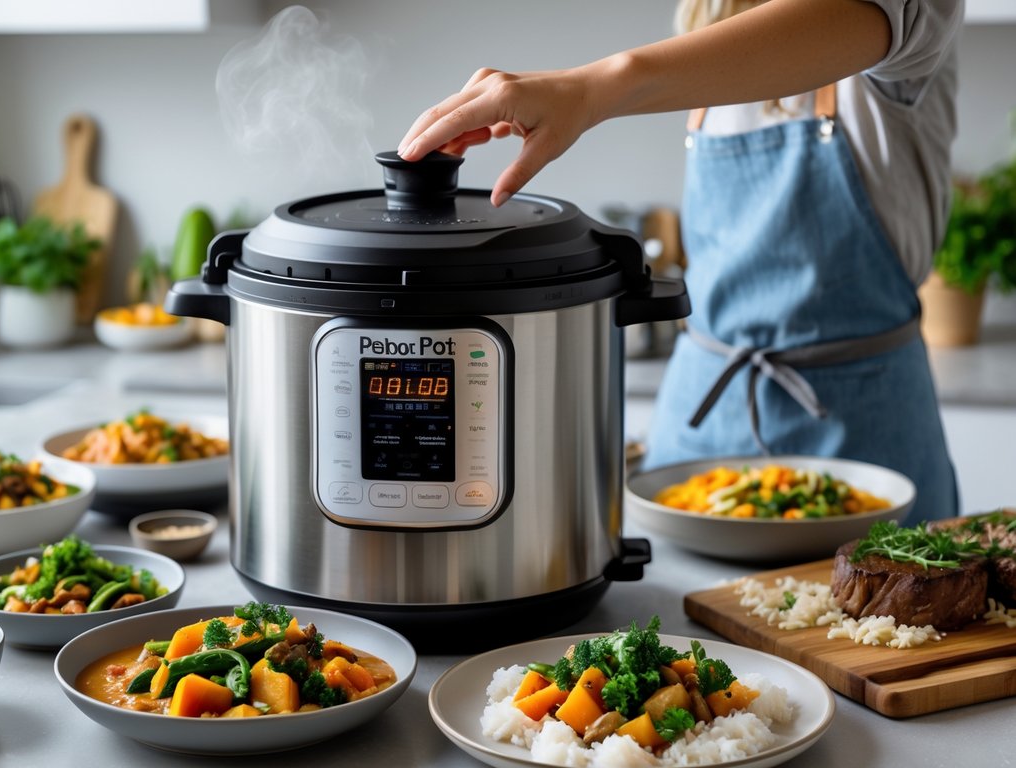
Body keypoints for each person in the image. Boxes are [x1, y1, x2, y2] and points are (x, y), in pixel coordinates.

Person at [398, 0, 961, 523]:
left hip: (866, 429)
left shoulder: (892, 25)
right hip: (701, 427)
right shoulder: (707, 34)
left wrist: (591, 88)